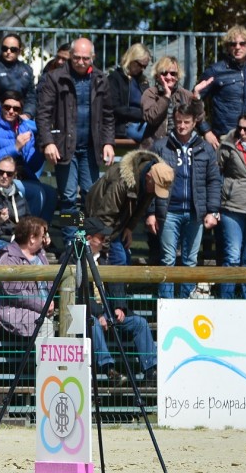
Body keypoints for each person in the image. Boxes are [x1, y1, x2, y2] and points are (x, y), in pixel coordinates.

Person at [36, 37, 116, 244]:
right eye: (77, 58)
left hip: (90, 148)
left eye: (85, 58)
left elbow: (108, 115)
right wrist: (48, 142)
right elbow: (43, 114)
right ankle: (72, 242)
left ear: (93, 58)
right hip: (64, 148)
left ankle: (86, 239)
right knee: (69, 198)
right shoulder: (55, 78)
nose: (80, 62)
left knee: (91, 197)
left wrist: (108, 142)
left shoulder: (101, 79)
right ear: (70, 56)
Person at [152, 99, 220, 299]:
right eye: (179, 121)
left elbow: (214, 180)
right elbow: (149, 182)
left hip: (195, 212)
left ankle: (185, 307)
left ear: (195, 123)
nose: (182, 126)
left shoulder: (205, 148)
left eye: (186, 122)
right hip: (168, 212)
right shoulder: (161, 146)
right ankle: (165, 307)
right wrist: (150, 213)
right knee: (168, 260)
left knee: (190, 261)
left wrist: (213, 210)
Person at [82, 217, 158, 384]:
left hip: (109, 312)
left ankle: (151, 370)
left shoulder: (105, 258)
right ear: (88, 239)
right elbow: (80, 294)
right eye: (101, 238)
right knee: (93, 323)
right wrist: (99, 313)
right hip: (89, 313)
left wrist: (120, 307)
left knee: (140, 323)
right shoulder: (75, 259)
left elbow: (116, 283)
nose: (104, 241)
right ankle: (108, 369)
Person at [0, 90, 56, 221]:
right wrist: (15, 147)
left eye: (16, 108)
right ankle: (27, 232)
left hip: (19, 178)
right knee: (37, 193)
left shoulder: (24, 127)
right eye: (7, 107)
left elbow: (32, 165)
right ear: (1, 106)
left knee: (51, 194)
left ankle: (41, 233)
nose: (11, 111)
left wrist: (41, 147)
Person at [86, 149, 173, 266]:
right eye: (156, 188)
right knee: (119, 260)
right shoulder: (122, 182)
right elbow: (106, 214)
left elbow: (142, 207)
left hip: (118, 221)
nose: (155, 192)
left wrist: (129, 228)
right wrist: (104, 247)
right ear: (148, 176)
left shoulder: (151, 183)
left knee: (125, 259)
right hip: (102, 219)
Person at [217, 112, 246, 300]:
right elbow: (215, 175)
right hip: (232, 209)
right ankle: (226, 302)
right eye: (240, 127)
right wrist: (215, 205)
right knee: (232, 258)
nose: (242, 132)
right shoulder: (228, 146)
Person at [0, 216, 54, 341]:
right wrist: (43, 305)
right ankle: (43, 361)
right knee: (46, 326)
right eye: (42, 236)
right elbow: (15, 292)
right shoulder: (9, 258)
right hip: (15, 311)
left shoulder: (40, 255)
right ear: (32, 238)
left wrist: (50, 302)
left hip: (44, 310)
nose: (44, 239)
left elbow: (48, 284)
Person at [198, 25, 246, 147]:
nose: (237, 47)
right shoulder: (215, 71)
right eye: (233, 44)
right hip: (226, 137)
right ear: (227, 47)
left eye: (242, 43)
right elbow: (193, 101)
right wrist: (205, 130)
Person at [141, 56, 209, 150]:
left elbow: (199, 118)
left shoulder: (185, 94)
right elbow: (151, 118)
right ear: (157, 76)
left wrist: (196, 97)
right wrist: (166, 97)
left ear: (177, 77)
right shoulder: (150, 93)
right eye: (164, 73)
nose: (169, 77)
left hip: (181, 148)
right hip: (154, 148)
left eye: (173, 73)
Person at [0, 33, 37, 118]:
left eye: (13, 49)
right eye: (5, 48)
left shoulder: (27, 70)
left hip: (22, 116)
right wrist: (8, 113)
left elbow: (31, 97)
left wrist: (27, 114)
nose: (8, 52)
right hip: (0, 116)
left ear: (19, 51)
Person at [107, 43, 151, 143]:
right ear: (131, 59)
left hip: (142, 122)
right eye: (140, 65)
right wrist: (141, 114)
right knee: (149, 135)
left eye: (145, 66)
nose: (142, 69)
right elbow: (115, 108)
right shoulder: (115, 78)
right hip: (124, 125)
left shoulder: (143, 81)